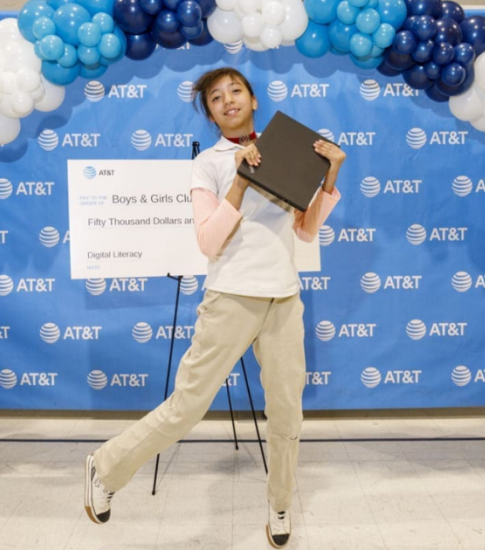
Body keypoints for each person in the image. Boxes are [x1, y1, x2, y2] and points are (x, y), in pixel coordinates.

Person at [84, 67, 345, 548]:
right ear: (209, 113)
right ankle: (105, 466)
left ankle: (280, 502)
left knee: (287, 413)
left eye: (236, 91)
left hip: (285, 298)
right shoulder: (209, 163)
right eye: (217, 98)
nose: (228, 101)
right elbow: (208, 242)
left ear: (253, 99)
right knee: (187, 408)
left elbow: (306, 231)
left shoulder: (288, 146)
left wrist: (330, 173)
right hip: (230, 298)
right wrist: (241, 184)